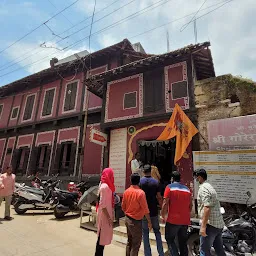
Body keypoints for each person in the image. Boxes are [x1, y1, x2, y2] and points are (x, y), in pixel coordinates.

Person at [194, 169, 226, 256]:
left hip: (210, 226)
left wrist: (203, 227)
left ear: (199, 177)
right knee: (219, 251)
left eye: (196, 177)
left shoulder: (203, 188)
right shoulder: (210, 187)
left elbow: (207, 207)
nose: (195, 179)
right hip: (218, 225)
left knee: (204, 251)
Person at [161, 171, 192, 256]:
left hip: (173, 220)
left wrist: (163, 215)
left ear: (172, 179)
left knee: (170, 239)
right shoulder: (187, 189)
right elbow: (191, 206)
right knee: (183, 242)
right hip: (185, 220)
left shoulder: (169, 187)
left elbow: (165, 203)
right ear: (180, 179)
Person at [122, 173, 152, 256]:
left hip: (127, 219)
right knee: (136, 244)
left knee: (129, 242)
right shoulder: (141, 193)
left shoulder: (126, 192)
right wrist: (149, 222)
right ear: (139, 182)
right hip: (136, 222)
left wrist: (128, 213)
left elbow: (123, 207)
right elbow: (145, 209)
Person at [140, 164, 164, 256]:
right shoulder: (155, 182)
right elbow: (159, 197)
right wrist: (162, 209)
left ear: (143, 171)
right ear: (151, 171)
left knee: (145, 233)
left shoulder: (140, 182)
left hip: (143, 212)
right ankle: (161, 253)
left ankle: (147, 254)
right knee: (157, 232)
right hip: (153, 211)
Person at [94, 168, 115, 256]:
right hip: (104, 215)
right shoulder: (104, 187)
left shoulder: (104, 185)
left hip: (106, 214)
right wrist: (109, 218)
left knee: (102, 237)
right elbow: (102, 205)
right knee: (101, 237)